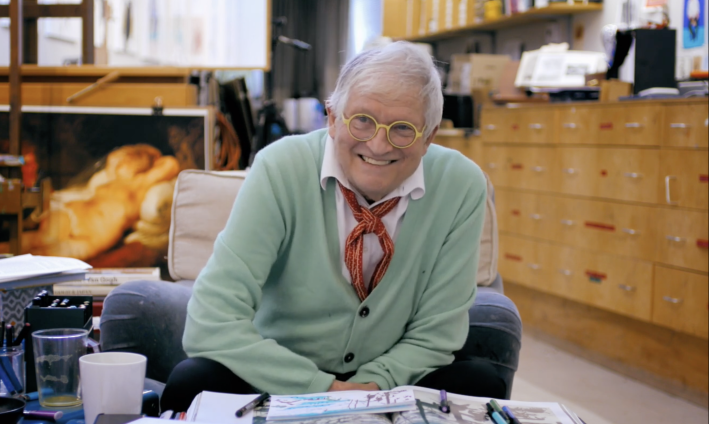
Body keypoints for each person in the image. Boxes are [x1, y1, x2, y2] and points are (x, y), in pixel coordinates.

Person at [160, 41, 503, 412]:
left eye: (402, 129)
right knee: (191, 380)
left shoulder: (463, 184)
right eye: (363, 121)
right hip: (280, 375)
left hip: (388, 383)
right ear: (333, 118)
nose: (377, 144)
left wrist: (370, 388)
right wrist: (325, 390)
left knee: (481, 383)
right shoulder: (281, 167)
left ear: (429, 136)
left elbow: (436, 334)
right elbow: (211, 320)